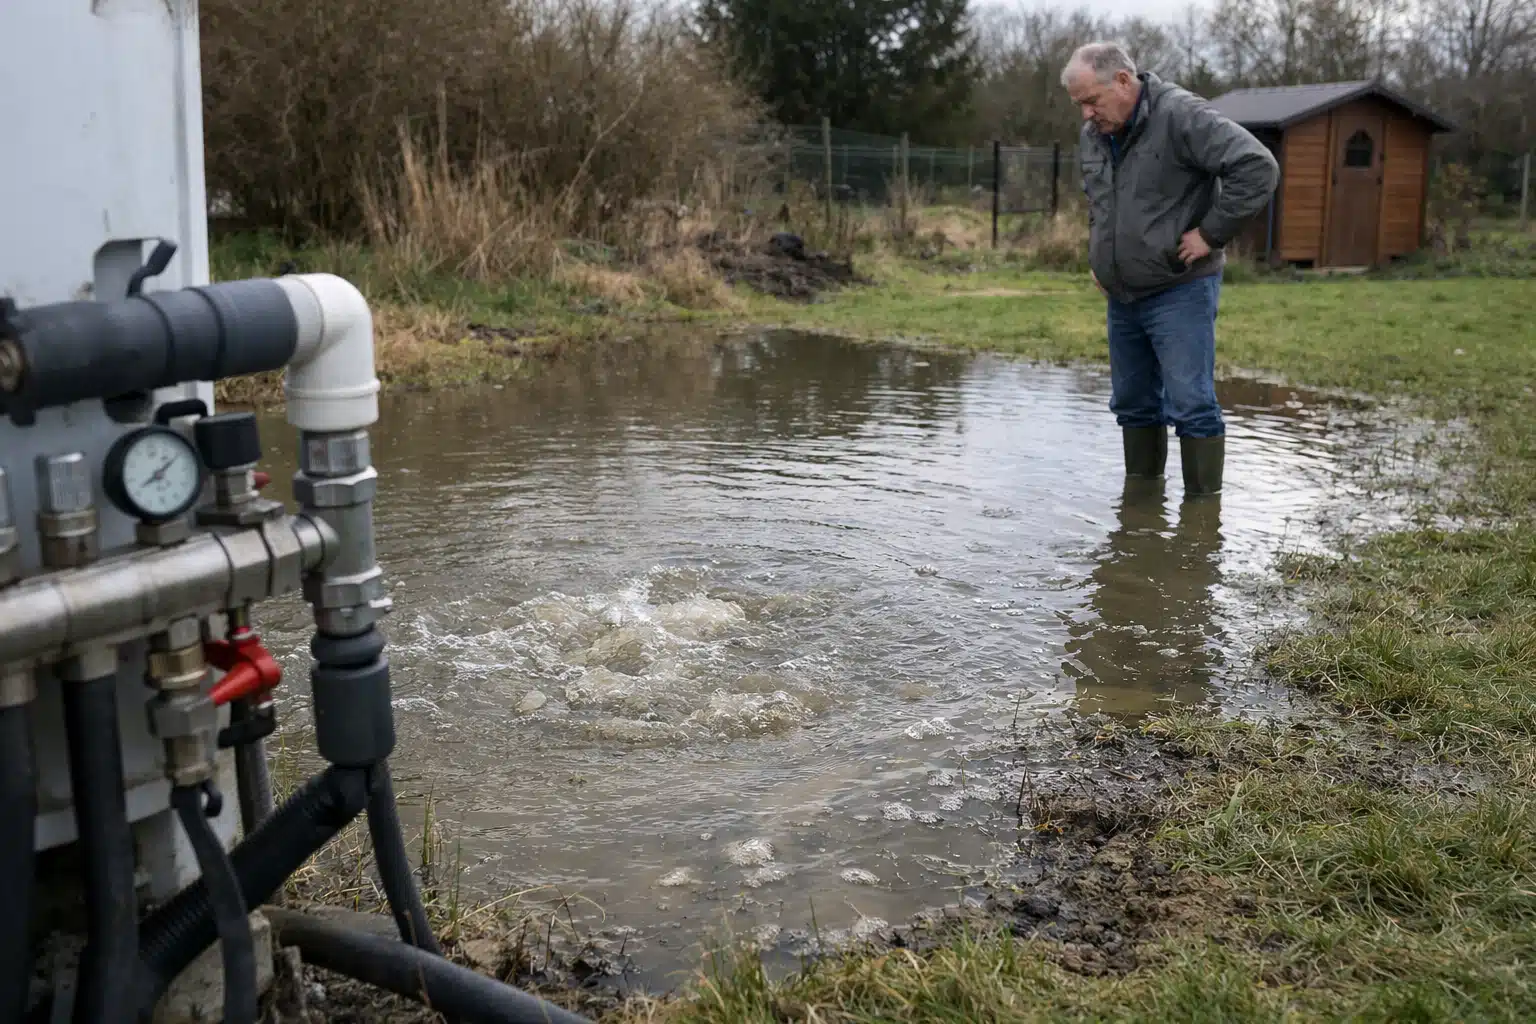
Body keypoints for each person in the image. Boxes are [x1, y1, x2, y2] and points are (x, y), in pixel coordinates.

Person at [1061, 43, 1278, 496]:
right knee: (1134, 405)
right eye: (1078, 104)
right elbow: (1101, 203)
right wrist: (1101, 257)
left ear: (1123, 80)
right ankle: (1140, 513)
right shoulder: (1095, 135)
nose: (1085, 114)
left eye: (1091, 101)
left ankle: (1201, 519)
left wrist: (1210, 234)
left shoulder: (1182, 116)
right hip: (1121, 294)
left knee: (1191, 403)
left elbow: (1256, 167)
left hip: (1180, 287)